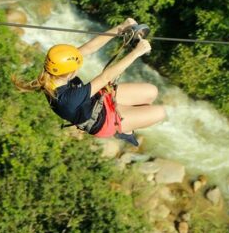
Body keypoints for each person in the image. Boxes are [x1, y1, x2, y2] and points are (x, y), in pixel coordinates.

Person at [12, 18, 167, 146]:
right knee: (160, 112)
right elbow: (106, 77)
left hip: (95, 99)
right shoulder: (69, 99)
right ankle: (124, 129)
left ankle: (127, 115)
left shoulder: (55, 70)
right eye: (77, 67)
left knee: (152, 91)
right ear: (70, 73)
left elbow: (89, 48)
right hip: (102, 120)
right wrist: (136, 53)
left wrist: (121, 27)